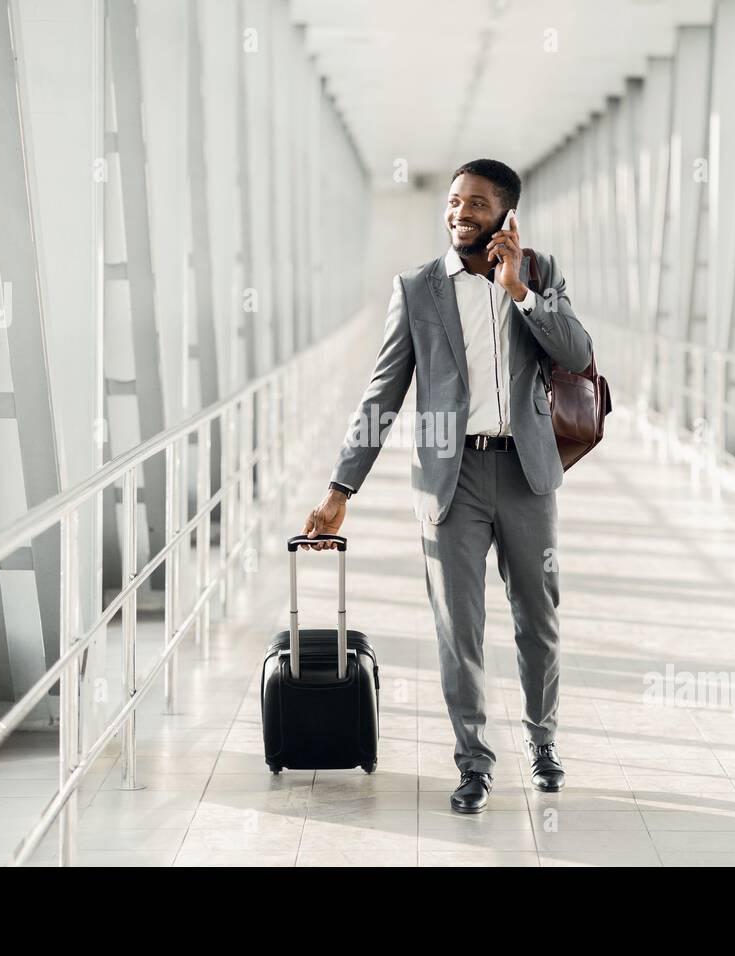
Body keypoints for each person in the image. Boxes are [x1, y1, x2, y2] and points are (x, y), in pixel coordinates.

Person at [301, 158, 592, 813]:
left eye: (479, 204)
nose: (462, 212)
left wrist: (520, 289)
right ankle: (473, 765)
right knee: (458, 631)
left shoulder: (540, 273)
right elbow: (382, 394)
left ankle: (543, 743)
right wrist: (340, 489)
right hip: (448, 482)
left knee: (537, 623)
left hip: (527, 478)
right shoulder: (418, 289)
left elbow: (576, 352)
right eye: (456, 201)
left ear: (507, 215)